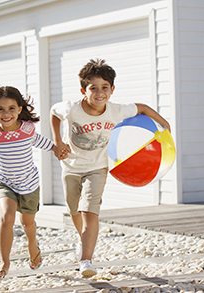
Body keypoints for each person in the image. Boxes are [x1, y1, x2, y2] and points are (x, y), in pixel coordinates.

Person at [50, 58, 171, 278]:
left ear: (112, 89)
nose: (99, 93)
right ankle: (82, 239)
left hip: (97, 168)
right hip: (71, 167)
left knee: (90, 210)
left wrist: (165, 124)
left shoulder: (116, 110)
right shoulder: (72, 108)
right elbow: (53, 113)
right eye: (93, 88)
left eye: (105, 87)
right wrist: (58, 142)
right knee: (74, 209)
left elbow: (142, 108)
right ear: (83, 90)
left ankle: (86, 260)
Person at [0, 86, 61, 279]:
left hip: (29, 184)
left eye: (11, 108)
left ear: (19, 109)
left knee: (27, 223)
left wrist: (56, 149)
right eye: (0, 109)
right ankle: (4, 263)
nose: (6, 113)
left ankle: (32, 244)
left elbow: (40, 141)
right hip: (5, 183)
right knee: (7, 217)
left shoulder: (27, 130)